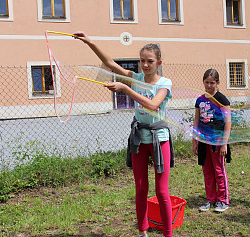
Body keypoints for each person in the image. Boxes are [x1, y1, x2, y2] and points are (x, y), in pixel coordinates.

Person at [74, 32, 174, 237]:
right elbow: (110, 63)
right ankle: (142, 232)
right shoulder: (135, 78)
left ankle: (168, 234)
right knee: (140, 189)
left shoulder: (164, 83)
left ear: (159, 62)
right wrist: (91, 42)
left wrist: (125, 89)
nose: (145, 65)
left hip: (159, 140)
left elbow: (153, 105)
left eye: (150, 61)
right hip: (139, 139)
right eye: (142, 61)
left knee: (162, 192)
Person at [192, 69, 232, 212]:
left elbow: (228, 122)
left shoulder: (222, 100)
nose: (209, 86)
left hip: (218, 141)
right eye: (207, 82)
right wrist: (195, 141)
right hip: (203, 141)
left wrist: (224, 144)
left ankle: (223, 200)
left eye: (212, 83)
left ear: (218, 83)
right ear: (203, 82)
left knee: (218, 170)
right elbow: (196, 121)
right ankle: (210, 199)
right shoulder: (200, 100)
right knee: (207, 170)